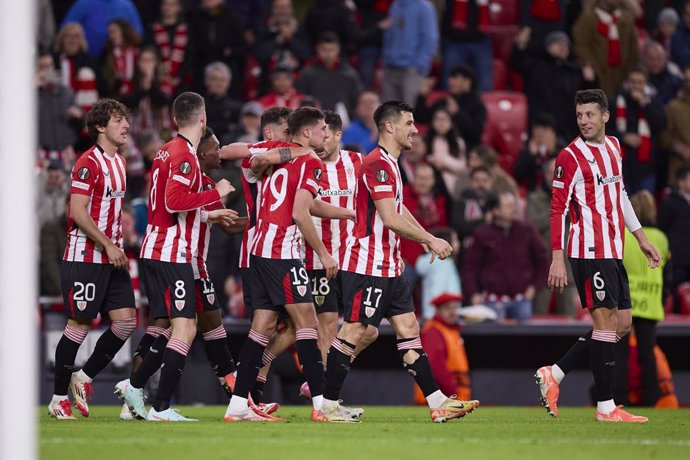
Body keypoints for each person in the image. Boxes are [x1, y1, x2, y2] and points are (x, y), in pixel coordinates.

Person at [322, 100, 480, 423]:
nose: (416, 129)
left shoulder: (391, 164)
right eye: (409, 123)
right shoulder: (377, 164)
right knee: (354, 331)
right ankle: (326, 405)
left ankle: (437, 403)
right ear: (390, 127)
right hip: (368, 265)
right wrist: (430, 240)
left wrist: (427, 236)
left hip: (389, 266)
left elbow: (398, 210)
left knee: (409, 330)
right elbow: (390, 218)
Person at [535, 89, 661, 423]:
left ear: (605, 115)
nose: (584, 121)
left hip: (613, 248)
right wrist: (557, 257)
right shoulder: (570, 157)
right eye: (579, 116)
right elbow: (557, 209)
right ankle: (606, 407)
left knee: (622, 324)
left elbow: (619, 195)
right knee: (604, 324)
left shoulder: (615, 148)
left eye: (590, 115)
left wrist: (641, 237)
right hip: (587, 250)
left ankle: (555, 373)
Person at [115, 92, 237, 422]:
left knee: (176, 327)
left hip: (160, 248)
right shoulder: (184, 154)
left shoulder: (166, 151)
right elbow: (173, 201)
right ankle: (160, 406)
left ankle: (138, 388)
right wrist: (216, 193)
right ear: (203, 117)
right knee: (185, 329)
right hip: (171, 251)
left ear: (173, 120)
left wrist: (209, 214)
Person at [223, 107, 340, 422]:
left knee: (261, 327)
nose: (325, 135)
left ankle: (237, 407)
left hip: (258, 250)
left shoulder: (275, 151)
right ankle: (321, 406)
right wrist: (324, 254)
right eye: (321, 129)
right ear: (306, 133)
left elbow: (235, 153)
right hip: (282, 251)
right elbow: (302, 212)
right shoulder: (309, 162)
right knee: (308, 324)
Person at [48, 99, 138, 420]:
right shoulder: (88, 162)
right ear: (100, 127)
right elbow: (77, 211)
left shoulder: (120, 162)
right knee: (80, 325)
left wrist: (118, 242)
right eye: (118, 120)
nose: (125, 125)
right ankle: (58, 399)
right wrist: (108, 245)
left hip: (110, 256)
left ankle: (82, 378)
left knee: (127, 321)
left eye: (125, 119)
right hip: (85, 256)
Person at [298, 110, 377, 411]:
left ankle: (322, 377)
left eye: (327, 136)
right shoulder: (307, 165)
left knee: (368, 330)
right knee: (328, 326)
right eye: (319, 136)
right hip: (317, 259)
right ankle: (328, 402)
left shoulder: (357, 164)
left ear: (339, 135)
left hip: (354, 261)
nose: (321, 142)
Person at [614, 190, 670, 406]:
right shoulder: (661, 238)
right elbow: (668, 270)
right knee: (648, 355)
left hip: (625, 300)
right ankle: (652, 398)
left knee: (620, 354)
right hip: (651, 301)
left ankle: (617, 398)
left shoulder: (624, 235)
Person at [462, 191, 549, 321]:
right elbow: (470, 267)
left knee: (525, 340)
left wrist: (535, 287)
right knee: (492, 341)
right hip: (491, 301)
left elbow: (544, 260)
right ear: (496, 211)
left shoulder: (527, 230)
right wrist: (474, 293)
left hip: (522, 300)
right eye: (508, 206)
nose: (514, 209)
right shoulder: (482, 233)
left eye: (514, 205)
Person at [510, 29, 596, 141]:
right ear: (548, 46)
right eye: (558, 43)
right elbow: (517, 62)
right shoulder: (536, 67)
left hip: (568, 129)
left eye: (566, 44)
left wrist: (590, 81)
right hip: (543, 126)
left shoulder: (574, 70)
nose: (563, 46)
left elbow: (588, 98)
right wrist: (519, 46)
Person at [608, 67, 667, 194]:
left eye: (640, 83)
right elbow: (604, 130)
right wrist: (623, 137)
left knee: (645, 209)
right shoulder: (614, 102)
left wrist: (645, 105)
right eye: (633, 82)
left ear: (645, 85)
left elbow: (661, 125)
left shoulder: (652, 103)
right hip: (619, 168)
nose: (636, 86)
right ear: (627, 83)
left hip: (645, 168)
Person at [413, 293, 471, 405]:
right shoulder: (434, 331)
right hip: (436, 402)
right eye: (448, 308)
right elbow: (434, 368)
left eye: (455, 307)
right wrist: (453, 395)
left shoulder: (451, 330)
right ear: (438, 310)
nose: (452, 312)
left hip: (449, 400)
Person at [572, 0, 639, 97]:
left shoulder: (627, 18)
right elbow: (580, 45)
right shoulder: (588, 19)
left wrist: (631, 69)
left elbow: (633, 46)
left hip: (622, 73)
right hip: (599, 75)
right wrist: (594, 66)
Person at [380, 0, 439, 105]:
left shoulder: (425, 8)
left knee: (409, 112)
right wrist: (385, 59)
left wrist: (419, 65)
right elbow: (389, 34)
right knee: (388, 112)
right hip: (390, 67)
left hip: (411, 70)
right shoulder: (395, 5)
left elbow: (430, 39)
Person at [295, 32, 363, 116]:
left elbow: (358, 99)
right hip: (314, 120)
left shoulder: (349, 74)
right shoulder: (307, 73)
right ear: (317, 49)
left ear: (338, 49)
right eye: (324, 50)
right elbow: (299, 97)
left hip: (344, 121)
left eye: (332, 49)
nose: (328, 54)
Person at [440, 0, 493, 92]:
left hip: (480, 41)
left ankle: (480, 106)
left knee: (485, 86)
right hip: (454, 41)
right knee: (448, 85)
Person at [144, 0, 194, 96]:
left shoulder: (187, 28)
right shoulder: (152, 28)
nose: (168, 7)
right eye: (165, 4)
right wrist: (161, 74)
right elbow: (151, 52)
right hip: (159, 78)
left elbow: (191, 54)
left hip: (182, 80)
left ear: (179, 7)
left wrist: (179, 76)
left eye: (172, 4)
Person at [659, 166, 690, 314]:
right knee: (675, 294)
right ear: (681, 181)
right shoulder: (670, 202)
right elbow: (662, 228)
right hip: (677, 258)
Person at [416, 228, 462, 320]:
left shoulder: (438, 261)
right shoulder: (442, 262)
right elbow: (437, 292)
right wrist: (447, 311)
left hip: (435, 314)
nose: (458, 244)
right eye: (455, 240)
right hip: (441, 316)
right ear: (446, 242)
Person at [341, 90, 381, 154]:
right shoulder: (349, 131)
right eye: (364, 103)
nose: (369, 106)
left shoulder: (390, 128)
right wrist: (374, 137)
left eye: (373, 102)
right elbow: (351, 155)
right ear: (357, 109)